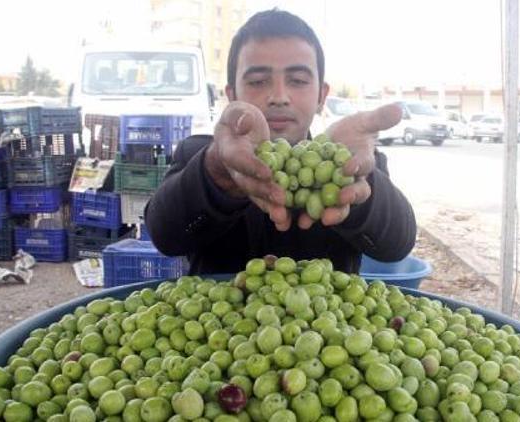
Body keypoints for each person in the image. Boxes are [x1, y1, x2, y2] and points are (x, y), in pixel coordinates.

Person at [145, 9, 416, 274]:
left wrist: (356, 187)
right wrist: (218, 174)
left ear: (322, 95)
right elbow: (165, 236)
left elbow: (396, 245)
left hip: (327, 319)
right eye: (258, 81)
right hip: (222, 319)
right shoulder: (201, 156)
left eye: (297, 80)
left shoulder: (353, 162)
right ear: (232, 94)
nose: (279, 96)